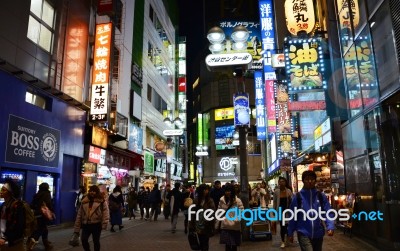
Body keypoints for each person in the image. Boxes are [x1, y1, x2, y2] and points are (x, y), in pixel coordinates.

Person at [287, 171, 334, 251]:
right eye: (307, 179)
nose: (309, 181)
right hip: (303, 233)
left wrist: (330, 226)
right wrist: (290, 232)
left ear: (315, 181)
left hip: (318, 233)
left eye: (312, 179)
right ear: (303, 181)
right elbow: (293, 216)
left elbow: (328, 211)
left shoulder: (320, 196)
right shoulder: (298, 197)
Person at [74, 185, 109, 251]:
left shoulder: (101, 201)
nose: (92, 192)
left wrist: (104, 223)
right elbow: (79, 215)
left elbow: (106, 212)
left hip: (97, 224)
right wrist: (76, 228)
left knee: (96, 241)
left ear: (97, 192)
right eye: (91, 191)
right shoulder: (84, 201)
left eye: (94, 191)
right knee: (84, 240)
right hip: (86, 224)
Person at [216, 184, 244, 251]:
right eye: (226, 191)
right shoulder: (222, 200)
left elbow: (241, 211)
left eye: (229, 191)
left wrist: (236, 220)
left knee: (234, 246)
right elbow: (219, 211)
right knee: (227, 245)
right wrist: (219, 221)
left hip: (235, 226)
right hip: (225, 226)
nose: (228, 192)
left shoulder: (237, 200)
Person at [0, 179, 25, 250]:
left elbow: (18, 225)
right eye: (1, 189)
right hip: (3, 239)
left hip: (13, 242)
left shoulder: (17, 205)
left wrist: (6, 237)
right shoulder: (3, 205)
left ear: (10, 192)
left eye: (4, 190)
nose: (1, 192)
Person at [28, 182, 54, 251]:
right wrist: (51, 211)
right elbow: (49, 204)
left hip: (36, 214)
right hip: (43, 215)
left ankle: (47, 245)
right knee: (40, 230)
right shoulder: (47, 194)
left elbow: (32, 205)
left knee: (44, 229)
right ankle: (30, 245)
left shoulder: (36, 195)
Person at [189, 184, 215, 251]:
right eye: (204, 190)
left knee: (205, 242)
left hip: (206, 224)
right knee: (200, 242)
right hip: (198, 224)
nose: (206, 191)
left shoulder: (210, 200)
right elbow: (192, 213)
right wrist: (191, 225)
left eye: (207, 190)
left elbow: (212, 211)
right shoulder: (196, 200)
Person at [273, 177, 293, 248]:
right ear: (278, 183)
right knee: (282, 226)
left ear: (285, 182)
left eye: (283, 181)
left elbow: (292, 201)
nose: (282, 183)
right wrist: (274, 211)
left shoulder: (289, 191)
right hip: (280, 211)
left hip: (287, 212)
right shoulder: (276, 191)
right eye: (280, 181)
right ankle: (283, 241)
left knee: (287, 226)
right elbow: (275, 202)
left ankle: (287, 238)